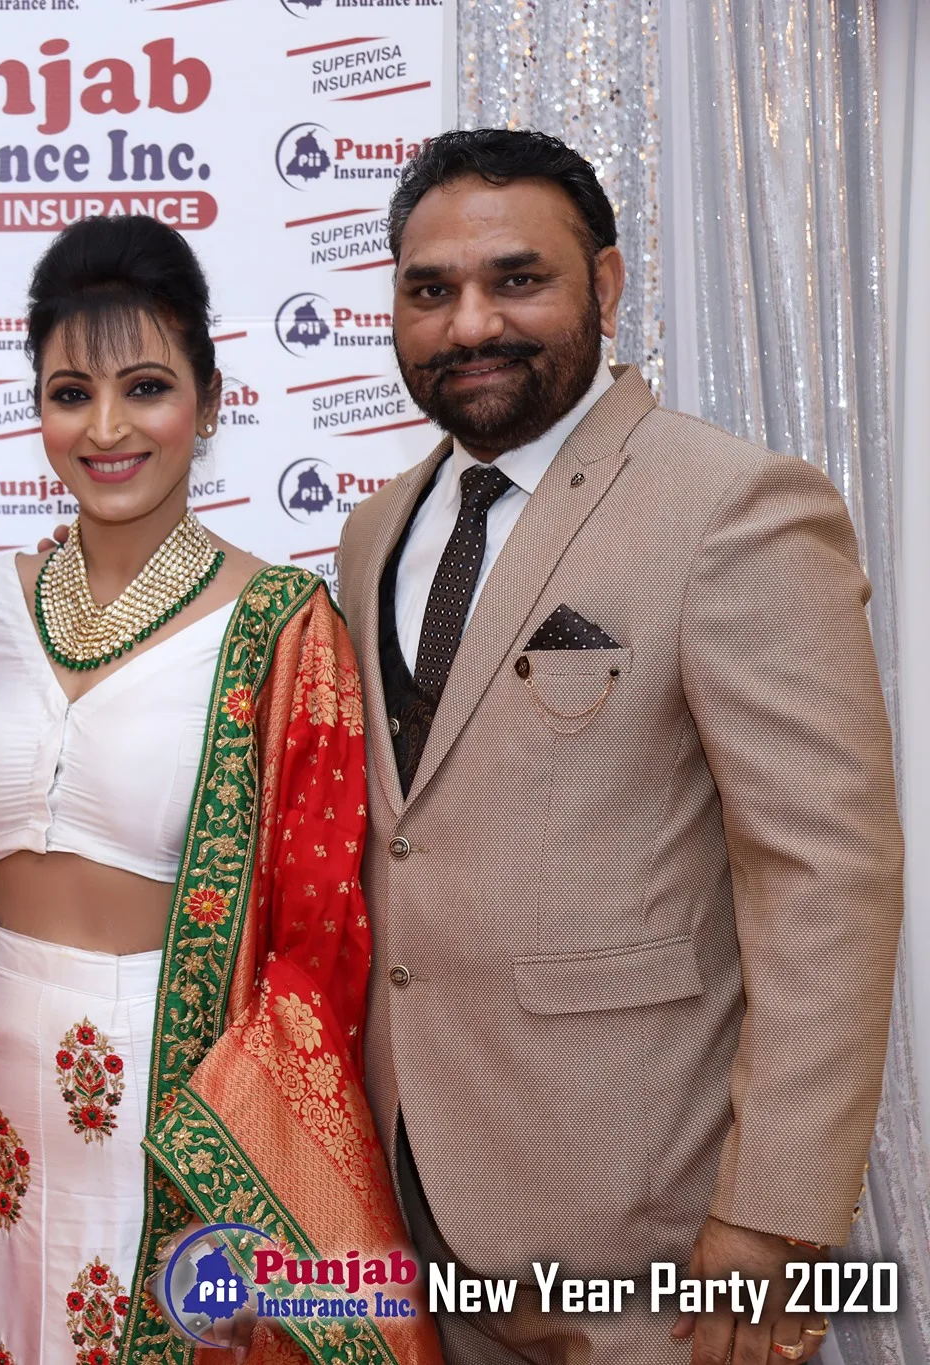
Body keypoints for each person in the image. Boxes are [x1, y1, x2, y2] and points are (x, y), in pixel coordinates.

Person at [338, 128, 905, 1365]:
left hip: (644, 1228)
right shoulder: (374, 530)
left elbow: (823, 881)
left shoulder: (730, 505)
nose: (469, 323)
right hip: (411, 1200)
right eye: (429, 291)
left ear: (602, 283)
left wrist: (772, 1220)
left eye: (516, 280)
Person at [0, 215, 438, 1365]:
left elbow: (316, 936)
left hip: (165, 1090)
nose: (105, 429)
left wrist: (243, 1149)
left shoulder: (279, 625)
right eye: (69, 394)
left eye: (144, 388)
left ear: (208, 402)